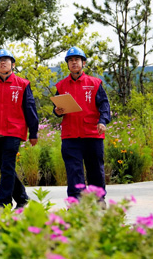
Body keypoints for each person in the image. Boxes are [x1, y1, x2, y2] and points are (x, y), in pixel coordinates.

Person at [0, 48, 39, 209]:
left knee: (7, 166)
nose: (3, 62)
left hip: (14, 131)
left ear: (13, 64)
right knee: (5, 168)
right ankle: (22, 199)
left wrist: (34, 132)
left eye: (6, 60)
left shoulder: (23, 84)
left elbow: (30, 109)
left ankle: (4, 204)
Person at [53, 46, 111, 201]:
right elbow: (57, 108)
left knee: (95, 170)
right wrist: (57, 111)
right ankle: (76, 202)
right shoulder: (61, 86)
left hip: (92, 133)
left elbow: (104, 105)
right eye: (70, 60)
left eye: (77, 60)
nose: (74, 63)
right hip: (70, 135)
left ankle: (98, 200)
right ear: (67, 64)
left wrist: (102, 121)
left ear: (83, 63)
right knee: (73, 170)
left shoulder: (95, 83)